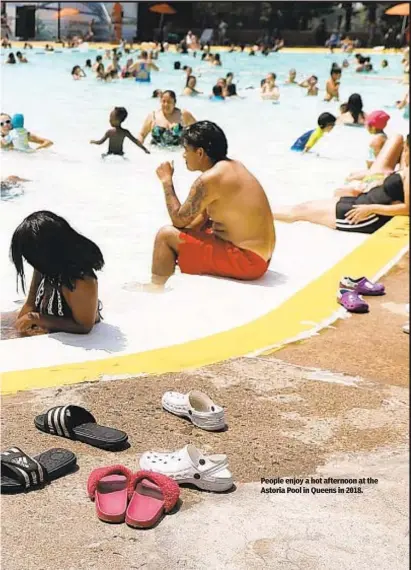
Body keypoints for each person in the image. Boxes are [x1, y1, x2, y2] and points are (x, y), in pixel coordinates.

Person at [130, 121, 275, 292]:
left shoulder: (210, 179)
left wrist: (166, 181)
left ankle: (156, 288)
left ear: (200, 153)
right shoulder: (234, 166)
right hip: (261, 258)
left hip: (247, 262)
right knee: (201, 227)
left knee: (165, 236)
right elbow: (196, 221)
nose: (183, 155)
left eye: (186, 150)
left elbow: (178, 221)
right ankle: (173, 276)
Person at [272, 134, 409, 235]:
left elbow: (407, 209)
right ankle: (261, 212)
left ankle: (258, 215)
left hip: (365, 216)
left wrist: (370, 208)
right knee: (300, 208)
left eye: (406, 150)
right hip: (362, 202)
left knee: (298, 213)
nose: (404, 153)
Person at [6, 211, 104, 336]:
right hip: (43, 319)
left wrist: (36, 318)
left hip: (66, 329)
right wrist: (18, 326)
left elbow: (84, 326)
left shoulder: (82, 281)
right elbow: (31, 302)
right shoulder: (45, 266)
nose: (29, 261)